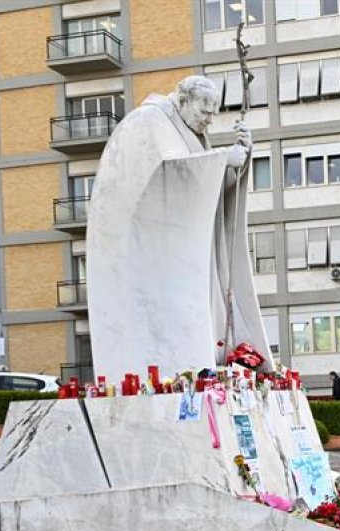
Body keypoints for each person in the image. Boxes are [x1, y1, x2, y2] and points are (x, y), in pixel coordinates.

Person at [86, 75, 272, 384]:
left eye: (215, 113)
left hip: (186, 258)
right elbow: (160, 179)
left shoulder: (190, 132)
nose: (209, 120)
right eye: (205, 111)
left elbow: (208, 196)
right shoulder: (147, 122)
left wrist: (238, 160)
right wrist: (223, 158)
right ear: (183, 101)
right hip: (150, 262)